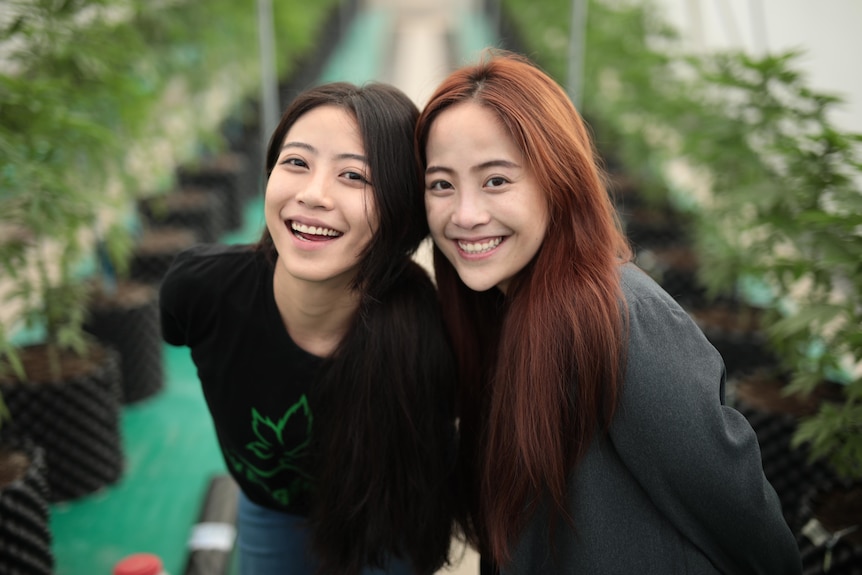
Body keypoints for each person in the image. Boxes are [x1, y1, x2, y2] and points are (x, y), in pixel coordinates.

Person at [415, 50, 802, 574]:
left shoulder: (621, 317)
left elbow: (741, 516)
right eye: (442, 184)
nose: (465, 214)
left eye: (496, 181)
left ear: (559, 180)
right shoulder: (498, 312)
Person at [160, 82, 459, 575]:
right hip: (268, 507)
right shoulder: (199, 292)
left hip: (389, 515)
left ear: (402, 209)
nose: (313, 194)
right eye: (296, 162)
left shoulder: (431, 330)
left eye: (353, 176)